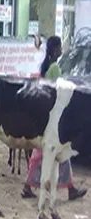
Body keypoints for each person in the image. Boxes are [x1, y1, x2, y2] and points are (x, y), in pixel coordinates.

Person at [21, 36, 86, 201]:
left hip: (44, 113)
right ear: (54, 49)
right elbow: (58, 92)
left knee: (49, 153)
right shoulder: (55, 68)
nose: (61, 50)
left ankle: (68, 188)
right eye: (59, 48)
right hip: (53, 115)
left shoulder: (45, 66)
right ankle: (66, 189)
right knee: (54, 151)